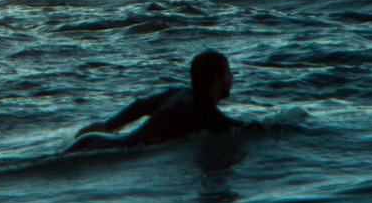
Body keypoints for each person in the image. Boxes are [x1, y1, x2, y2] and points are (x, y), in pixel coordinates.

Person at [67, 50, 242, 152]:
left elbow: (140, 106)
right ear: (217, 80)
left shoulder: (180, 94)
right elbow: (237, 127)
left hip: (93, 140)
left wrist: (109, 126)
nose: (232, 78)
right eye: (228, 73)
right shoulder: (205, 113)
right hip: (102, 148)